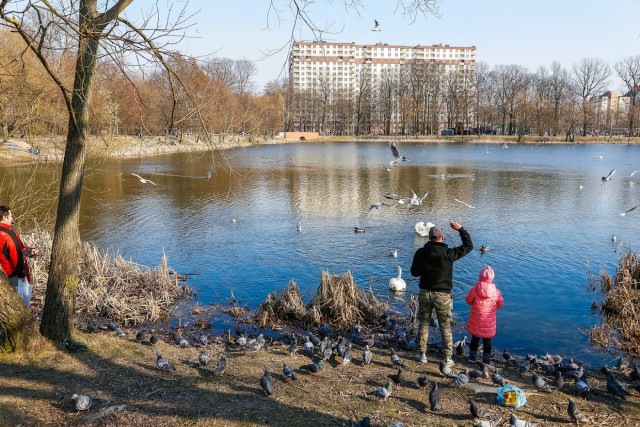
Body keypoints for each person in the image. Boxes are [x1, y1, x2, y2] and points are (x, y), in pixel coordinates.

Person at [410, 221, 473, 366]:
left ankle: (422, 355)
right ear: (442, 238)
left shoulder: (420, 253)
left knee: (423, 324)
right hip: (443, 296)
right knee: (445, 326)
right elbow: (469, 246)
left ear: (429, 238)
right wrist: (461, 229)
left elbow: (414, 273)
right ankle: (447, 358)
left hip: (425, 293)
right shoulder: (449, 253)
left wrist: (424, 268)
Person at [465, 265, 503, 364]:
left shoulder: (474, 290)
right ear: (492, 278)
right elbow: (500, 304)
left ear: (480, 277)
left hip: (476, 321)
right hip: (488, 322)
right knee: (487, 341)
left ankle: (472, 358)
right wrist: (492, 308)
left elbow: (468, 300)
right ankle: (486, 360)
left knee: (475, 339)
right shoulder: (496, 292)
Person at [0, 206, 38, 292]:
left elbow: (17, 248)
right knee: (22, 302)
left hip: (3, 274)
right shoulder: (8, 234)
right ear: (4, 217)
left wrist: (28, 250)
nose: (12, 219)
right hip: (12, 275)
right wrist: (22, 275)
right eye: (10, 216)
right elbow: (15, 255)